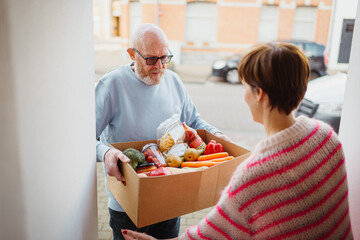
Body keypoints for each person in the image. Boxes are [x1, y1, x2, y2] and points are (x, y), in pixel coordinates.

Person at [121, 42, 353, 240]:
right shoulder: (327, 138)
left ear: (259, 94)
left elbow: (210, 234)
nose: (243, 96)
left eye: (244, 87)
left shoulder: (255, 174)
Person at [95, 23, 230, 240]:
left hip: (169, 199)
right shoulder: (112, 84)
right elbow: (83, 139)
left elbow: (194, 120)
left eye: (165, 57)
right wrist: (105, 153)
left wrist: (217, 134)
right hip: (127, 204)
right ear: (132, 53)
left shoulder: (174, 81)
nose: (159, 66)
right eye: (151, 59)